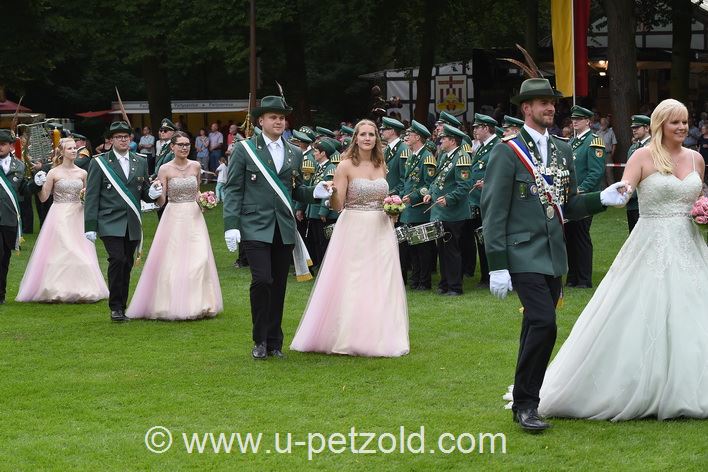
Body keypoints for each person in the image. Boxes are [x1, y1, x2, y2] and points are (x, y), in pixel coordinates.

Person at [538, 98, 708, 421]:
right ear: (660, 125)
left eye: (685, 121)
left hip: (689, 245)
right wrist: (618, 192)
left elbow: (698, 196)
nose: (682, 127)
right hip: (650, 243)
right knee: (639, 310)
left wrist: (703, 209)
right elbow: (624, 190)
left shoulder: (696, 159)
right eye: (675, 122)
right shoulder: (642, 156)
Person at [481, 77, 630, 432]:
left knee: (534, 326)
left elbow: (569, 204)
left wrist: (601, 198)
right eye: (542, 102)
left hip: (553, 254)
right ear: (526, 108)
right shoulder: (507, 150)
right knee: (545, 323)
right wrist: (497, 265)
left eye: (552, 102)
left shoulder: (563, 149)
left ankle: (522, 400)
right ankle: (528, 404)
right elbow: (493, 210)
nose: (550, 107)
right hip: (521, 253)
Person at [290, 119, 409, 357]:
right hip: (354, 226)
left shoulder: (381, 164)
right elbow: (338, 205)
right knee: (354, 278)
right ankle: (348, 335)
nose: (367, 138)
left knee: (382, 279)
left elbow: (383, 196)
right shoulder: (345, 166)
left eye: (372, 134)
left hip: (381, 227)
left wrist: (392, 208)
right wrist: (332, 193)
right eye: (363, 134)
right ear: (355, 138)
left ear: (376, 139)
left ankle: (379, 334)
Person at [223, 95, 329, 360]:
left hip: (283, 226)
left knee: (279, 285)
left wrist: (314, 192)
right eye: (273, 117)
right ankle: (259, 339)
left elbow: (294, 190)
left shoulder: (295, 152)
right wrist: (231, 224)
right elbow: (233, 189)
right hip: (254, 225)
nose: (279, 121)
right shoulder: (245, 149)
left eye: (282, 117)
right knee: (262, 280)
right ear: (261, 121)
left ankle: (274, 342)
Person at [127, 132, 222, 320]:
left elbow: (196, 191)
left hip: (194, 216)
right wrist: (155, 193)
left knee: (200, 257)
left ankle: (200, 303)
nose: (184, 148)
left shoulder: (195, 166)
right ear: (172, 147)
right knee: (173, 258)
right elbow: (162, 201)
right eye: (180, 144)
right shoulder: (165, 169)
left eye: (187, 144)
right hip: (174, 215)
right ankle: (169, 303)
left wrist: (205, 200)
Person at [83, 121, 162, 322]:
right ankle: (115, 307)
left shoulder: (140, 161)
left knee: (126, 263)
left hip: (132, 221)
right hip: (109, 221)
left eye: (126, 136)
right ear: (111, 140)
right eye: (118, 137)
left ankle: (122, 306)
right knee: (117, 259)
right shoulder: (100, 162)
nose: (123, 140)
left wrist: (152, 193)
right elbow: (91, 196)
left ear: (130, 139)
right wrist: (90, 225)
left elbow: (143, 191)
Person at [17, 138, 108, 303]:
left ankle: (83, 288)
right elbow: (44, 198)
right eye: (70, 148)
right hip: (59, 214)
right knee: (63, 250)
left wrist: (85, 198)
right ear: (62, 152)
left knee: (81, 251)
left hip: (78, 214)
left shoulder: (82, 173)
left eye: (75, 148)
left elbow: (89, 195)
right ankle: (55, 288)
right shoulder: (54, 173)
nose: (74, 151)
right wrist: (38, 184)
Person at [422, 124, 473, 296]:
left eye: (443, 138)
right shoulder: (445, 156)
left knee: (451, 250)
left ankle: (455, 286)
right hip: (440, 211)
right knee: (442, 250)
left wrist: (449, 199)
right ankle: (445, 284)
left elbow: (464, 186)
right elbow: (437, 180)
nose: (440, 141)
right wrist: (430, 193)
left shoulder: (462, 157)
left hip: (453, 212)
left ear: (452, 140)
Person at [565, 106, 606, 289]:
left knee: (581, 236)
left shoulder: (593, 141)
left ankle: (584, 279)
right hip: (570, 196)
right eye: (573, 119)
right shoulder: (573, 142)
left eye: (579, 119)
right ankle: (572, 276)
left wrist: (581, 189)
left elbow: (596, 172)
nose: (575, 122)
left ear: (588, 121)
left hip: (584, 197)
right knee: (570, 236)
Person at [400, 120, 436, 291]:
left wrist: (413, 197)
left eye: (410, 134)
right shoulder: (412, 156)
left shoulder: (427, 156)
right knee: (412, 247)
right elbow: (407, 181)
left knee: (423, 247)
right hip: (409, 209)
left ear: (418, 137)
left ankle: (424, 281)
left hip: (420, 207)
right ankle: (415, 279)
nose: (407, 137)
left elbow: (429, 184)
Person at [0, 129, 29, 304]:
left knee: (5, 258)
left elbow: (23, 191)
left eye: (3, 144)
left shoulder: (19, 166)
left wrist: (36, 184)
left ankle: (1, 294)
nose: (0, 147)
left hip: (9, 218)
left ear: (11, 146)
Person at [625, 114, 652, 232]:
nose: (634, 130)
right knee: (634, 235)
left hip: (647, 198)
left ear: (647, 128)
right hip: (632, 200)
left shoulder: (653, 147)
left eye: (637, 127)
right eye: (632, 128)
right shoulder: (633, 148)